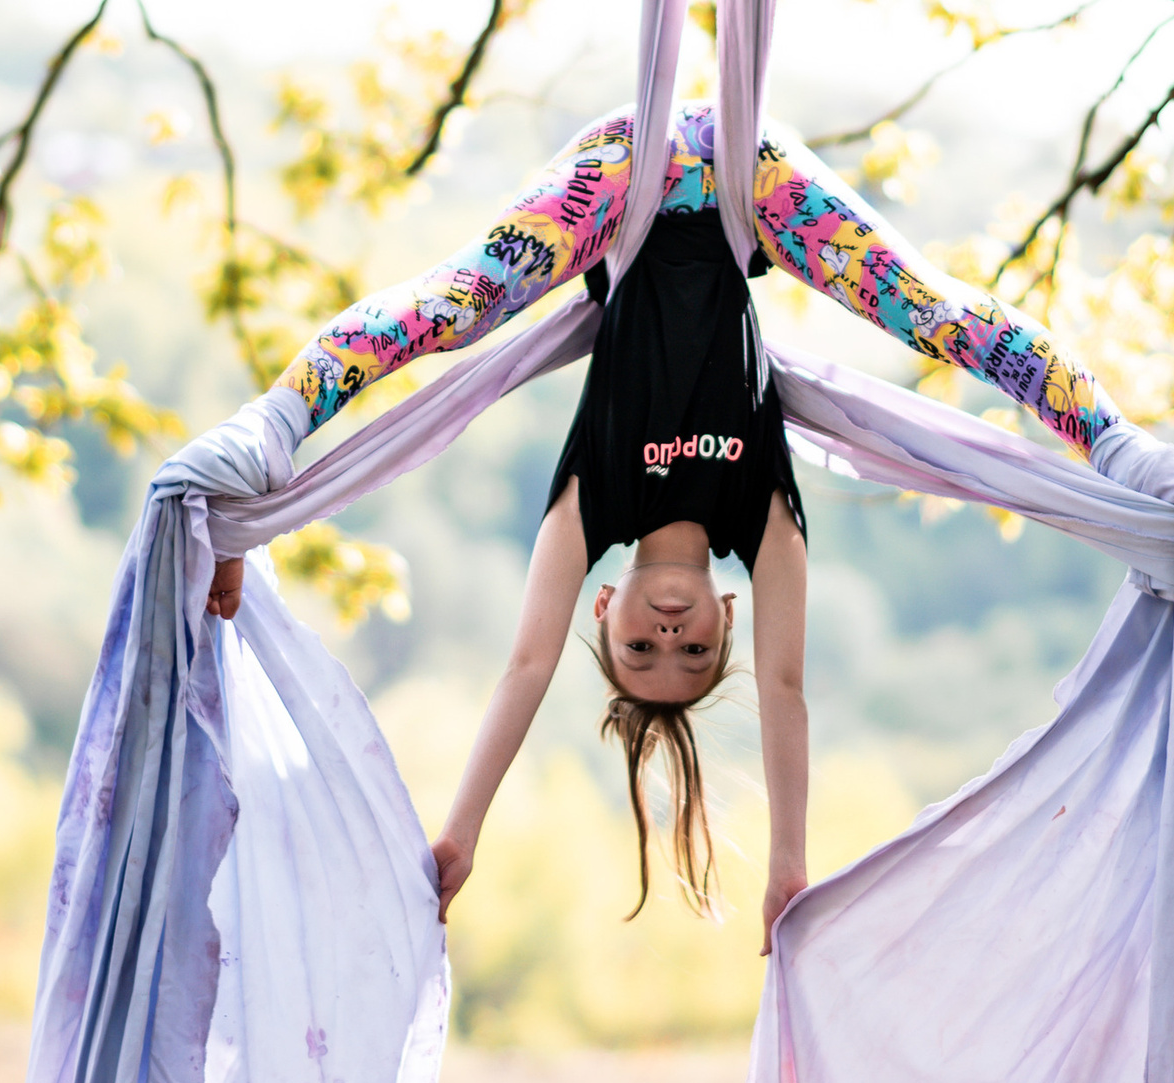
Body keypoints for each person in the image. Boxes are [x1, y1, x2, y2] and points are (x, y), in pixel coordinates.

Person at [206, 103, 1118, 950]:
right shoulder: (757, 519)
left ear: (603, 606)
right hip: (749, 188)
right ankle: (1110, 441)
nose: (669, 641)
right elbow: (788, 690)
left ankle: (266, 434)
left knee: (449, 309)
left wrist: (461, 831)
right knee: (925, 311)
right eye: (693, 655)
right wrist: (789, 862)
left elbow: (525, 669)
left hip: (617, 186)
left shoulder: (595, 502)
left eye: (642, 651)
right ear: (730, 613)